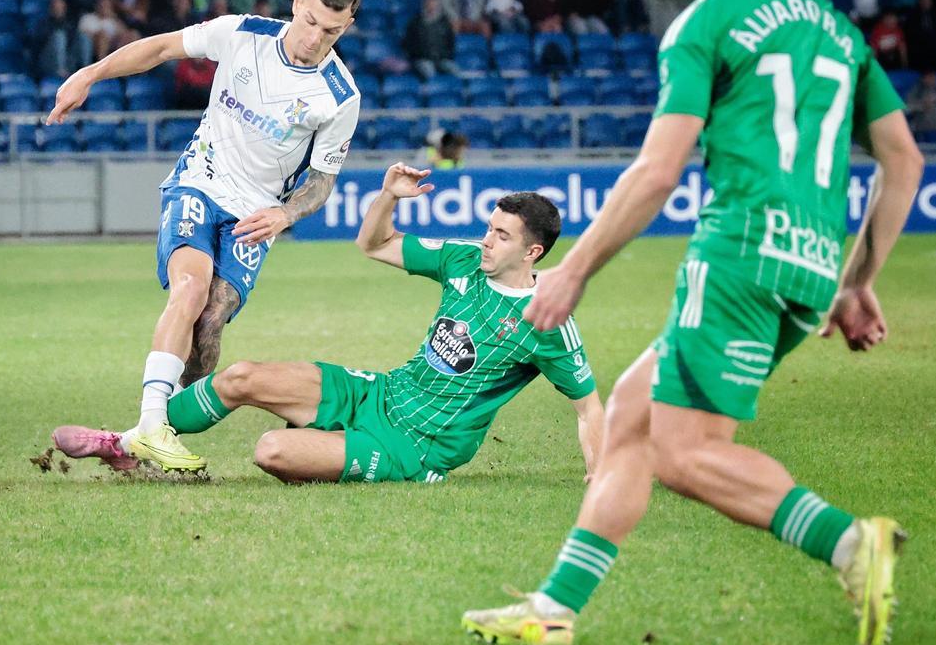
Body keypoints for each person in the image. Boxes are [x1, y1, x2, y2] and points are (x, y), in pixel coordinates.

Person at [462, 0, 924, 645]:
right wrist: (858, 282)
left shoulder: (708, 21)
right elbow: (903, 158)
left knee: (683, 456)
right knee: (631, 417)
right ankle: (554, 607)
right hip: (811, 267)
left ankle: (851, 543)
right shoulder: (839, 31)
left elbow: (657, 171)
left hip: (738, 257)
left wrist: (573, 269)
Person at [54, 165, 604, 484]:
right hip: (382, 393)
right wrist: (387, 197)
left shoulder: (548, 320)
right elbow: (375, 244)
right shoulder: (463, 260)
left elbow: (589, 408)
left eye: (501, 236)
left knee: (272, 450)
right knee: (241, 376)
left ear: (532, 252)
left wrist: (599, 475)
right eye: (489, 228)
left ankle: (331, 447)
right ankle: (127, 442)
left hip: (418, 446)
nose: (487, 240)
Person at [46, 0, 364, 472]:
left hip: (255, 214)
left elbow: (322, 181)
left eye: (331, 31)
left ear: (347, 25)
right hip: (200, 181)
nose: (314, 39)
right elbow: (160, 48)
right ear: (297, 2)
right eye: (309, 21)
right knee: (190, 289)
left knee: (211, 324)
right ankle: (152, 426)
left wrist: (284, 214)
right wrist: (90, 74)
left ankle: (137, 440)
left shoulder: (340, 96)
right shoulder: (241, 33)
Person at [404, 0, 458, 79]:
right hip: (422, 59)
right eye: (429, 5)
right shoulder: (414, 23)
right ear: (425, 5)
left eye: (434, 6)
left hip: (441, 59)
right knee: (429, 71)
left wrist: (444, 56)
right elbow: (408, 45)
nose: (432, 8)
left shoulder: (445, 23)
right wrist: (419, 56)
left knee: (455, 70)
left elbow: (450, 43)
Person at [904, 71, 936, 141]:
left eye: (934, 77)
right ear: (923, 78)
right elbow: (908, 107)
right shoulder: (916, 91)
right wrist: (923, 105)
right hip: (920, 127)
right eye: (930, 77)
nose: (933, 79)